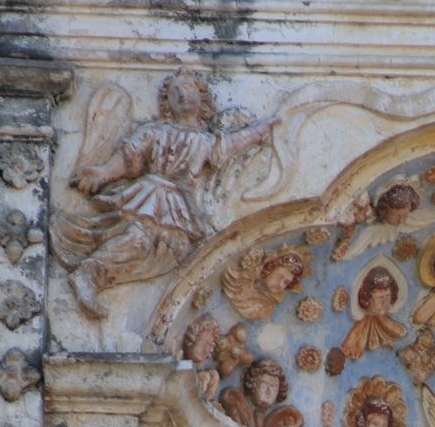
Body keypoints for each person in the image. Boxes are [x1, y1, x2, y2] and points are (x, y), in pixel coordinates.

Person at [56, 70, 276, 320]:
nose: (182, 94)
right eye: (175, 92)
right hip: (152, 194)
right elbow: (129, 158)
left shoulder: (205, 141)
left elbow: (229, 145)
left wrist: (259, 132)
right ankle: (89, 273)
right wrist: (103, 173)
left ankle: (99, 276)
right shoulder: (156, 132)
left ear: (202, 97)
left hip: (179, 208)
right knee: (138, 240)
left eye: (189, 89)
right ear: (166, 103)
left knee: (173, 250)